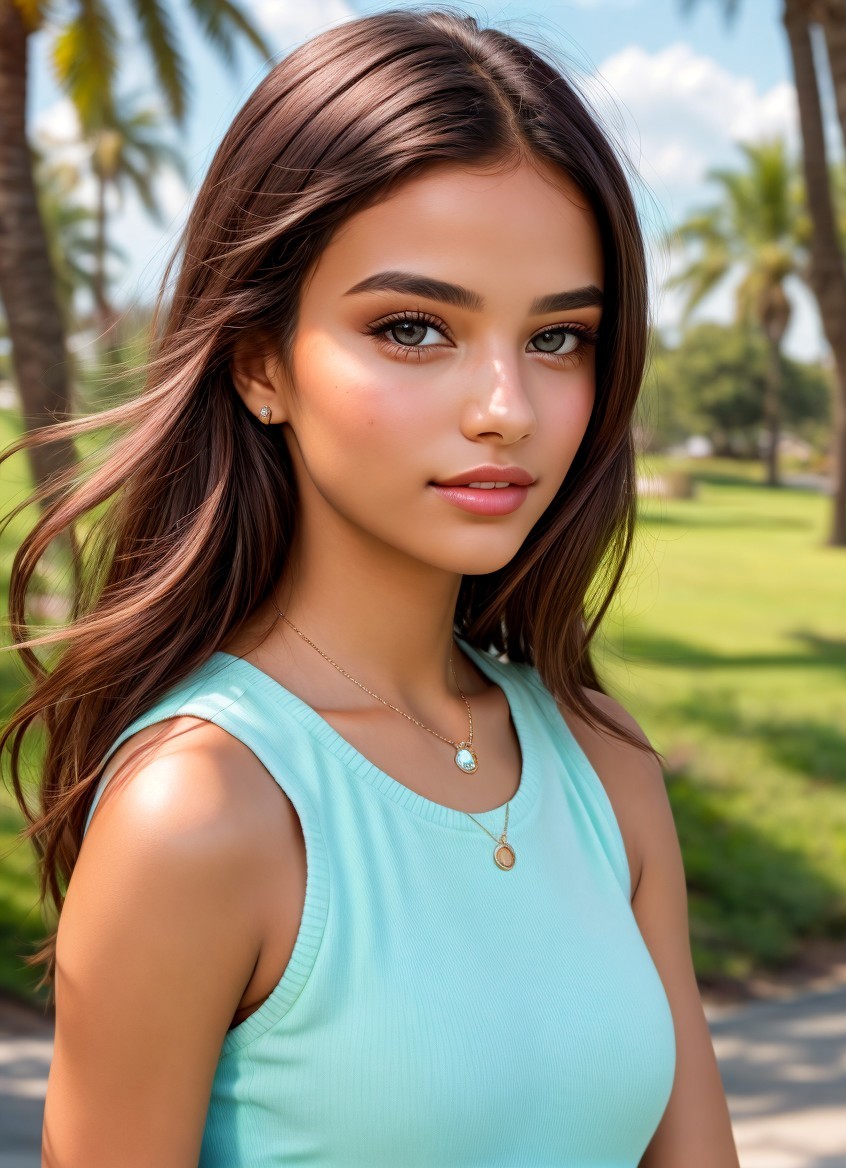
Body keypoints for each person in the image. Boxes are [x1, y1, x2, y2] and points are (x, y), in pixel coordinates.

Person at [1, 7, 740, 1166]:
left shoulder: (603, 763)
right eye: (413, 327)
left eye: (557, 339)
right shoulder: (200, 814)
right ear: (259, 363)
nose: (506, 404)